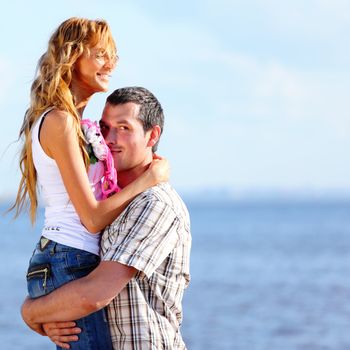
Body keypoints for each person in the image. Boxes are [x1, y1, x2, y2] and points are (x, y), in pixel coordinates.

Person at [12, 18, 168, 350]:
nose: (111, 64)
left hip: (69, 259)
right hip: (69, 258)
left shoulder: (78, 123)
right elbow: (92, 217)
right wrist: (149, 180)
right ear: (72, 57)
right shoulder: (60, 122)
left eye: (112, 55)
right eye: (100, 54)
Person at [21, 87, 192, 350]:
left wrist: (31, 312)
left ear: (152, 135)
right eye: (104, 126)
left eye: (124, 128)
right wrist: (55, 317)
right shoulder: (108, 204)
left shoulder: (154, 203)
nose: (109, 138)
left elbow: (95, 293)